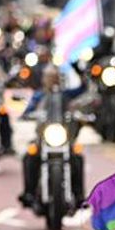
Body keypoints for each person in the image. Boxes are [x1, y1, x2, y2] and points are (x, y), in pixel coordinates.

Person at [18, 65, 88, 209]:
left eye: (55, 77)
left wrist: (79, 71)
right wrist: (26, 115)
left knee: (77, 157)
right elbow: (29, 110)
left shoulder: (66, 95)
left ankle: (79, 194)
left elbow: (83, 89)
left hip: (64, 137)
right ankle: (29, 192)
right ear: (44, 79)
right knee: (29, 157)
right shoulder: (39, 95)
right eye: (49, 77)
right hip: (43, 138)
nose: (52, 80)